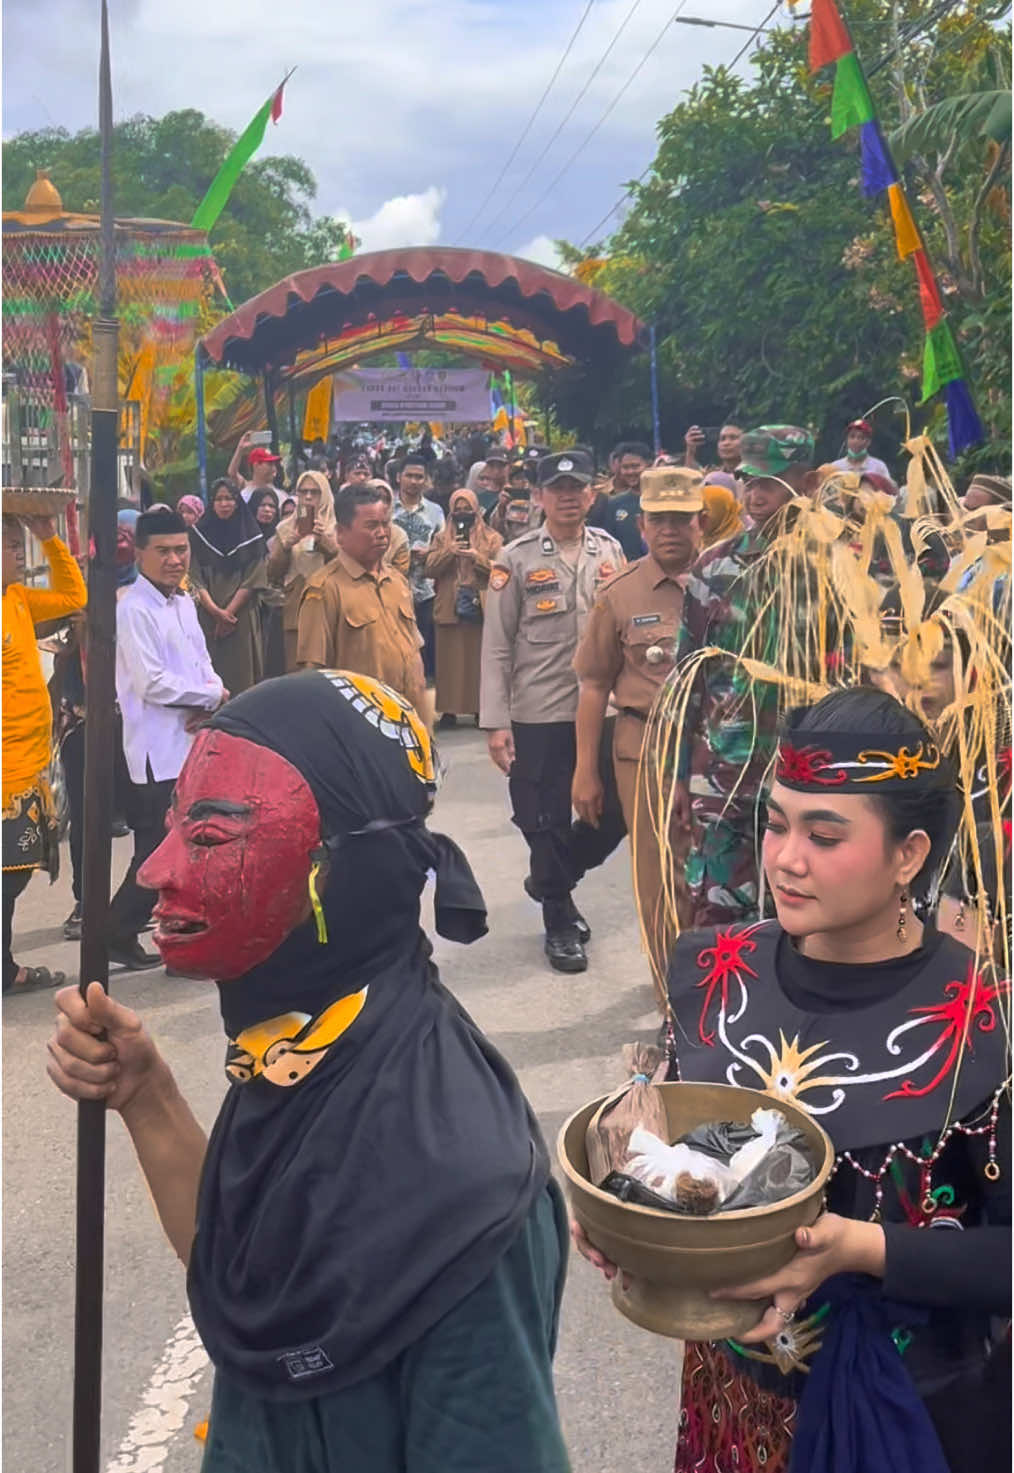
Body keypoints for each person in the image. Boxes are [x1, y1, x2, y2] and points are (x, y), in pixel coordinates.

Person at [46, 669, 572, 1473]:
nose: (154, 868)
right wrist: (146, 1094)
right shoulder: (307, 1049)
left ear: (338, 870)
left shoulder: (466, 1195)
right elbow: (246, 1271)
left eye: (211, 835)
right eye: (176, 824)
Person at [574, 686, 1010, 1473]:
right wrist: (621, 1200)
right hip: (730, 1402)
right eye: (775, 823)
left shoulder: (984, 1024)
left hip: (912, 1417)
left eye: (825, 833)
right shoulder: (714, 970)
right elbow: (661, 1125)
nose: (785, 858)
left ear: (908, 854)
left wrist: (861, 1248)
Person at [480, 449, 627, 973]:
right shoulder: (515, 559)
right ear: (539, 496)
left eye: (577, 488)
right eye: (557, 489)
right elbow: (497, 645)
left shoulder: (610, 551)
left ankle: (550, 878)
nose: (568, 497)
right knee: (541, 818)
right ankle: (559, 920)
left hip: (605, 709)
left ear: (592, 494)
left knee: (615, 812)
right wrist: (496, 722)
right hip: (539, 708)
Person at [675, 425, 819, 928]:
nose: (756, 496)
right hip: (724, 774)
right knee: (719, 914)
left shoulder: (837, 567)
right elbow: (687, 678)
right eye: (750, 482)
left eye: (772, 483)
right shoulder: (716, 568)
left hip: (813, 773)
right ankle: (713, 1007)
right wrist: (677, 778)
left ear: (809, 482)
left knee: (809, 916)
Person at [572, 468, 704, 979]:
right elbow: (592, 684)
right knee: (658, 876)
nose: (669, 529)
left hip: (718, 751)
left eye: (680, 519)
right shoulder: (620, 593)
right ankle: (671, 996)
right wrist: (586, 771)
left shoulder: (732, 584)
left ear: (702, 522)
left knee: (721, 872)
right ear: (642, 527)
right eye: (658, 520)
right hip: (643, 747)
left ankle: (721, 986)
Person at [109, 508, 227, 970]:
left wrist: (211, 696)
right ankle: (116, 931)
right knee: (159, 853)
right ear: (139, 554)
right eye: (163, 551)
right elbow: (151, 684)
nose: (175, 559)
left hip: (193, 745)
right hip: (156, 750)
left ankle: (180, 935)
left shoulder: (183, 602)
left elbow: (202, 662)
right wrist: (211, 694)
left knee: (193, 848)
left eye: (181, 549)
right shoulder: (132, 608)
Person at [2, 512, 87, 994]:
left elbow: (74, 598)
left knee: (11, 876)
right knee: (7, 877)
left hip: (30, 767)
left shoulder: (15, 598)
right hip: (4, 777)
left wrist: (49, 538)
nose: (19, 552)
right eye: (10, 544)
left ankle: (4, 964)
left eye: (20, 543)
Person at [297, 484, 426, 716]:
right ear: (341, 534)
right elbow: (313, 674)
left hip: (409, 717)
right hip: (361, 721)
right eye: (371, 526)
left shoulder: (397, 581)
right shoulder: (325, 589)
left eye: (385, 524)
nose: (382, 533)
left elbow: (414, 651)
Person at [424, 488, 503, 727]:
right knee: (449, 662)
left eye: (467, 509)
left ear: (476, 509)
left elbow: (501, 570)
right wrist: (450, 552)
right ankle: (449, 711)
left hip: (479, 603)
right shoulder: (440, 538)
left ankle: (481, 709)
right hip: (448, 605)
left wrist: (476, 557)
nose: (462, 514)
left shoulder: (492, 538)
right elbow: (429, 569)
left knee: (478, 661)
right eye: (457, 510)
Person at [189, 479, 268, 697]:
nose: (224, 504)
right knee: (209, 674)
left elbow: (253, 579)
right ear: (211, 503)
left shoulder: (252, 537)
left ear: (237, 503)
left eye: (229, 499)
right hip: (208, 616)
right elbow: (195, 577)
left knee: (241, 676)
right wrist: (215, 612)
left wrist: (228, 613)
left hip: (240, 618)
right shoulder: (199, 536)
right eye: (219, 499)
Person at [266, 471, 339, 673]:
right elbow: (272, 573)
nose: (307, 497)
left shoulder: (338, 527)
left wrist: (324, 540)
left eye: (314, 492)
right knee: (296, 667)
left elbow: (344, 564)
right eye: (303, 492)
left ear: (324, 494)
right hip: (296, 605)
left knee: (330, 667)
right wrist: (286, 546)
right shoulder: (285, 528)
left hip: (329, 603)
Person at [392, 454, 445, 684]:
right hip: (391, 588)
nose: (414, 481)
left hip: (425, 591)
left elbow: (443, 545)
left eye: (419, 477)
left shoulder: (435, 511)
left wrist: (430, 555)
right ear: (398, 477)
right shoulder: (386, 508)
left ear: (426, 480)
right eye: (409, 476)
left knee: (422, 649)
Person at [366, 479, 411, 577]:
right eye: (374, 498)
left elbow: (400, 574)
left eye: (385, 499)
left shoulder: (398, 536)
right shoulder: (352, 530)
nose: (380, 503)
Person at [227, 433, 284, 499]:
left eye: (274, 464)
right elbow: (232, 473)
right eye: (269, 464)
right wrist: (240, 449)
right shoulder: (245, 486)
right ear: (256, 466)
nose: (273, 468)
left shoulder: (281, 495)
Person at [699, 478, 744, 548]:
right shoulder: (701, 542)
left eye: (704, 511)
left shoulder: (739, 546)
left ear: (721, 512)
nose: (698, 518)